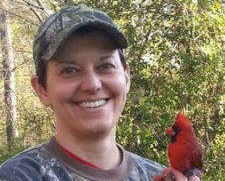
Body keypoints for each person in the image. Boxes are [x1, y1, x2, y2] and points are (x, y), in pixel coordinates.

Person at [0, 4, 201, 181]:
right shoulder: (18, 175)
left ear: (126, 77)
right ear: (41, 89)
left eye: (105, 66)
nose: (92, 84)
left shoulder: (158, 176)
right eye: (69, 70)